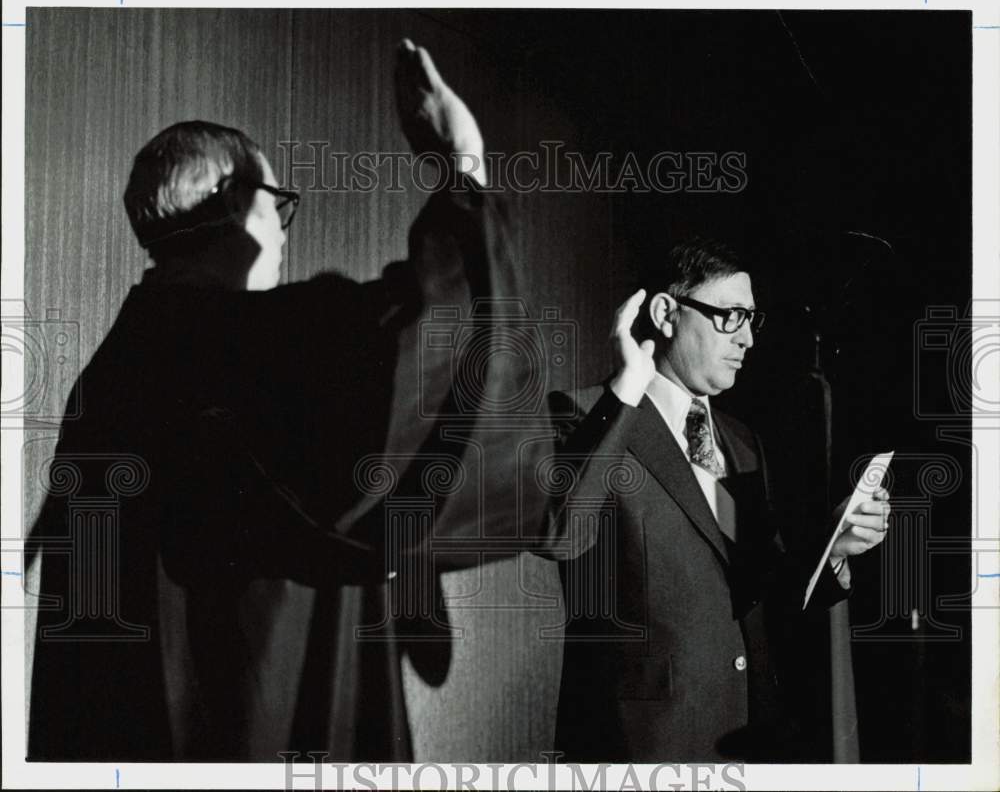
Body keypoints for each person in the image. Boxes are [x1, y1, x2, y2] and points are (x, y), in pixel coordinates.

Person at [27, 39, 517, 761]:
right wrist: (460, 162)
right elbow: (426, 333)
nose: (283, 230)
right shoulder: (242, 342)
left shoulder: (112, 373)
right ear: (232, 202)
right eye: (275, 203)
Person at [541, 237, 891, 762]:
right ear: (666, 313)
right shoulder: (584, 416)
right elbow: (562, 535)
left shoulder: (742, 441)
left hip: (747, 738)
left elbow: (758, 585)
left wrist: (833, 549)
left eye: (752, 319)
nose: (748, 338)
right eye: (731, 316)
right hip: (639, 748)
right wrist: (627, 389)